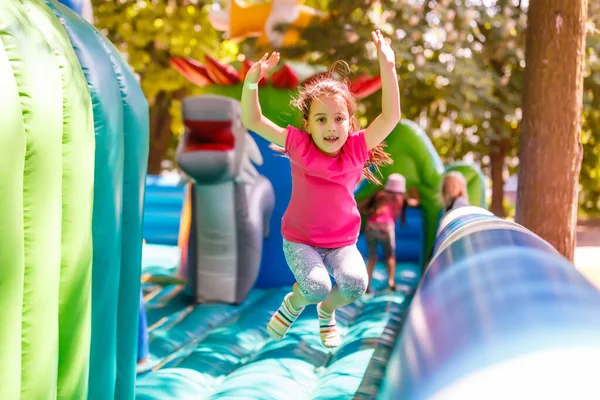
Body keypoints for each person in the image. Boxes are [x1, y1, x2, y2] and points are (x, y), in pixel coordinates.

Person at [241, 30, 401, 348]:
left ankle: (327, 313)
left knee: (356, 284)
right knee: (315, 286)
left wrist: (389, 67)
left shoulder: (356, 148)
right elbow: (253, 120)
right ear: (308, 124)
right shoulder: (299, 145)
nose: (331, 127)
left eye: (339, 118)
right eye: (322, 119)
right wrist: (251, 83)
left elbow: (391, 116)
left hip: (341, 243)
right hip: (301, 241)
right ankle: (295, 303)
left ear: (349, 121)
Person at [360, 173, 419, 294]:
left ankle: (367, 285)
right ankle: (391, 281)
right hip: (386, 228)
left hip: (371, 227)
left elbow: (362, 206)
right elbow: (415, 203)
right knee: (390, 257)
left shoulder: (379, 195)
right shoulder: (400, 198)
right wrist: (415, 193)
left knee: (372, 258)